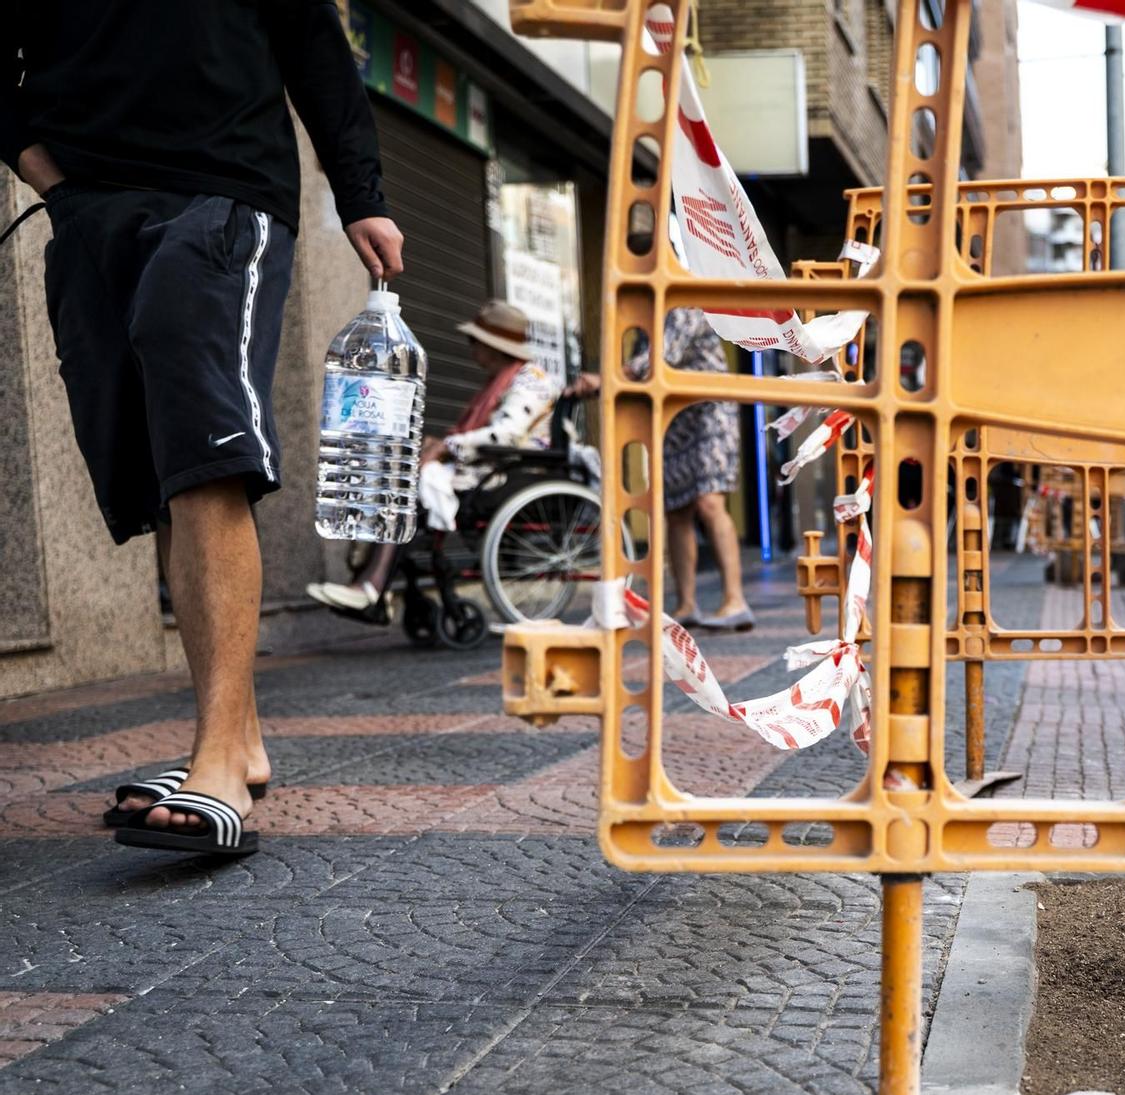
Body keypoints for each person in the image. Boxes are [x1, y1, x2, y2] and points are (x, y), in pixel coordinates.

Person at [1, 3, 403, 858]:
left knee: (206, 458)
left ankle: (217, 757)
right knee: (155, 473)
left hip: (224, 194)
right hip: (87, 214)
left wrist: (363, 197)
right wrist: (55, 186)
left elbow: (317, 57)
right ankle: (242, 741)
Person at [306, 300, 558, 614]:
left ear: (494, 347)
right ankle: (371, 583)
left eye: (474, 342)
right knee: (400, 478)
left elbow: (505, 434)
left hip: (509, 472)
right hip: (486, 467)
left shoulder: (530, 380)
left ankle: (373, 584)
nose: (471, 349)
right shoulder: (500, 381)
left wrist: (448, 446)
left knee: (409, 487)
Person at [576, 308, 755, 629]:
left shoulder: (684, 307)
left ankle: (735, 600)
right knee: (676, 511)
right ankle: (686, 604)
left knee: (710, 502)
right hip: (672, 421)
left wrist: (605, 379)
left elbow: (660, 358)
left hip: (708, 413)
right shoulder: (647, 319)